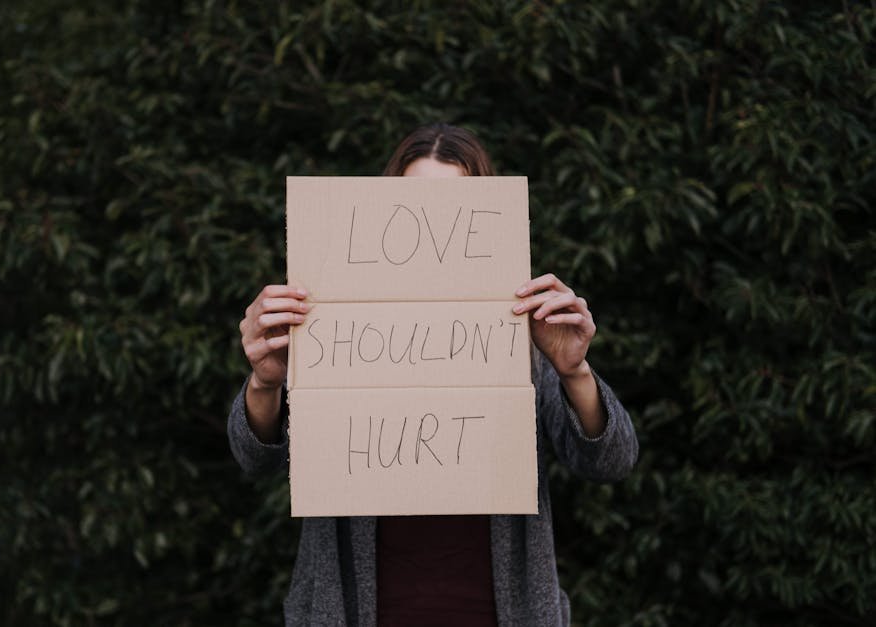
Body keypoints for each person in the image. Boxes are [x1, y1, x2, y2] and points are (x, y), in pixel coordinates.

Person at [228, 123, 639, 626]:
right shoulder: (329, 322)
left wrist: (573, 370)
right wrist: (266, 382)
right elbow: (254, 458)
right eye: (414, 203)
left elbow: (612, 460)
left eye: (453, 209)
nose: (430, 228)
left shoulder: (520, 330)